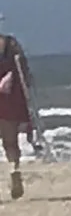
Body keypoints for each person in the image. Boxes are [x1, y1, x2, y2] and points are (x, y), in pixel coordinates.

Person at [0, 27, 36, 197]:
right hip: (9, 100)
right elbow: (24, 71)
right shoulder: (11, 44)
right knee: (10, 142)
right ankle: (14, 168)